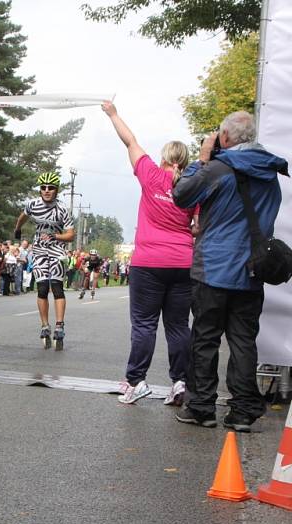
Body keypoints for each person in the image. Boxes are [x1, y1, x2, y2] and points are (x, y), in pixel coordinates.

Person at [172, 110, 288, 431]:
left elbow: (181, 195)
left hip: (214, 268)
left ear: (224, 137)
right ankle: (242, 412)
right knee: (243, 341)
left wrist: (202, 157)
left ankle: (202, 407)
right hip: (252, 271)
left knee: (206, 339)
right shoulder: (269, 171)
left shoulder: (218, 168)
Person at [102, 101, 196, 405]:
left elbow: (130, 140)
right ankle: (180, 382)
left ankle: (136, 381)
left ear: (164, 158)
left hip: (148, 263)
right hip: (183, 264)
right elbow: (199, 228)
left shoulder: (150, 174)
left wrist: (113, 114)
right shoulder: (194, 188)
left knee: (144, 325)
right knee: (178, 326)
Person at [14, 172, 75, 350]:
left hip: (57, 250)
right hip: (39, 249)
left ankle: (59, 325)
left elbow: (71, 235)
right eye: (43, 187)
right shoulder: (33, 204)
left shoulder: (63, 209)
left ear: (57, 190)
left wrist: (56, 236)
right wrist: (17, 228)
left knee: (56, 286)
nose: (47, 191)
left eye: (51, 188)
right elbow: (23, 216)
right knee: (41, 288)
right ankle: (44, 325)